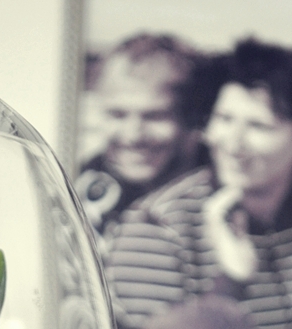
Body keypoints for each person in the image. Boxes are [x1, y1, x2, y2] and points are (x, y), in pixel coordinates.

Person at [103, 38, 292, 329]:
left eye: (259, 126)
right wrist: (230, 283)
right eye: (224, 119)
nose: (233, 143)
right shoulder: (156, 226)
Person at [75, 34, 204, 245]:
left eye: (154, 116)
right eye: (117, 115)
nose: (133, 135)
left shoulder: (227, 194)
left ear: (192, 119)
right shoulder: (76, 186)